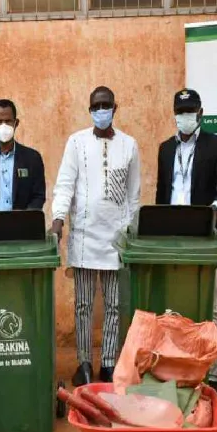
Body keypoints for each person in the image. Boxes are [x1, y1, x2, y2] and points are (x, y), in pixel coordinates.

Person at [51, 86, 141, 386]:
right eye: (96, 105)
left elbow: (133, 196)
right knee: (83, 306)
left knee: (115, 306)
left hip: (115, 241)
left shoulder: (129, 145)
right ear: (89, 109)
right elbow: (65, 183)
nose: (101, 110)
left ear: (115, 107)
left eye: (106, 105)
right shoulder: (76, 143)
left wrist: (128, 232)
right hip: (85, 238)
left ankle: (108, 364)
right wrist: (58, 219)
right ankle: (84, 363)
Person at [155, 88, 217, 391]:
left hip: (204, 233)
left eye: (190, 111)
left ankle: (211, 376)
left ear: (200, 113)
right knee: (173, 306)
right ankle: (176, 371)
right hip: (171, 236)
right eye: (180, 112)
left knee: (208, 306)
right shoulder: (166, 148)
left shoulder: (216, 144)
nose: (184, 117)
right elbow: (162, 193)